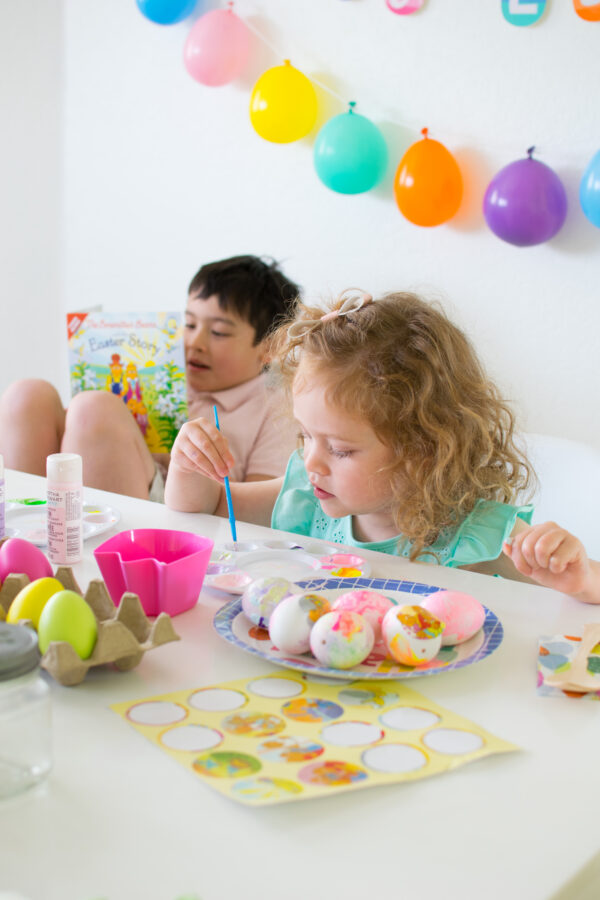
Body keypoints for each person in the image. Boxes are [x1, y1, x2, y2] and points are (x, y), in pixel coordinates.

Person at [165, 288, 600, 604]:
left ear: (424, 450)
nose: (311, 460)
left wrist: (578, 577)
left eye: (339, 449)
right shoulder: (307, 497)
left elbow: (589, 594)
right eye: (306, 436)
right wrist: (189, 467)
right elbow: (203, 510)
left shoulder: (480, 535)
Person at [0, 255, 301, 500]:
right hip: (96, 476)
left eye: (219, 332)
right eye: (190, 323)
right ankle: (20, 543)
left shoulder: (276, 406)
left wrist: (180, 463)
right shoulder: (163, 372)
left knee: (94, 409)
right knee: (25, 396)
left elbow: (264, 508)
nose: (195, 342)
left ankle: (97, 561)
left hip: (174, 508)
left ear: (270, 347)